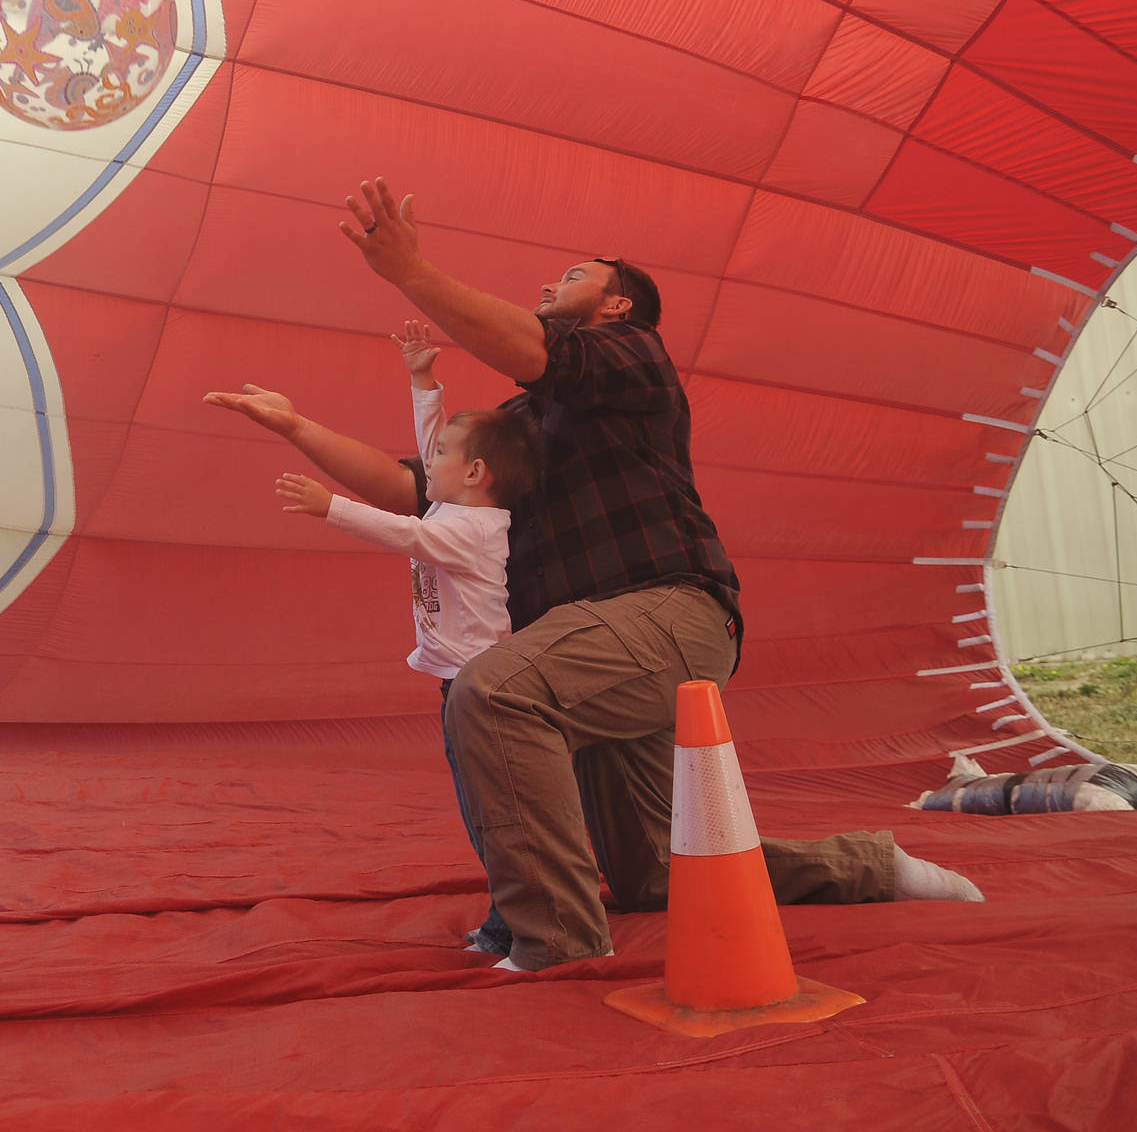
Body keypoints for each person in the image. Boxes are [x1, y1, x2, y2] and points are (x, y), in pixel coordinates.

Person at [206, 178, 983, 974]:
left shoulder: (636, 357)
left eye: (573, 277)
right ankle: (870, 867)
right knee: (657, 874)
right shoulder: (516, 428)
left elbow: (543, 355)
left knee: (494, 691)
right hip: (583, 650)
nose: (548, 285)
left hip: (666, 616)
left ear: (617, 307)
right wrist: (297, 425)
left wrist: (410, 273)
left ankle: (557, 943)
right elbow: (416, 485)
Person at [271, 319, 541, 957]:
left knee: (496, 815)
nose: (428, 464)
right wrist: (423, 379)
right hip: (461, 690)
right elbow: (431, 446)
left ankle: (530, 921)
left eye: (444, 458)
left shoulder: (473, 531)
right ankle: (512, 918)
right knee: (485, 813)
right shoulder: (456, 504)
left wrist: (329, 505)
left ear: (474, 473)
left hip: (482, 695)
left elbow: (406, 535)